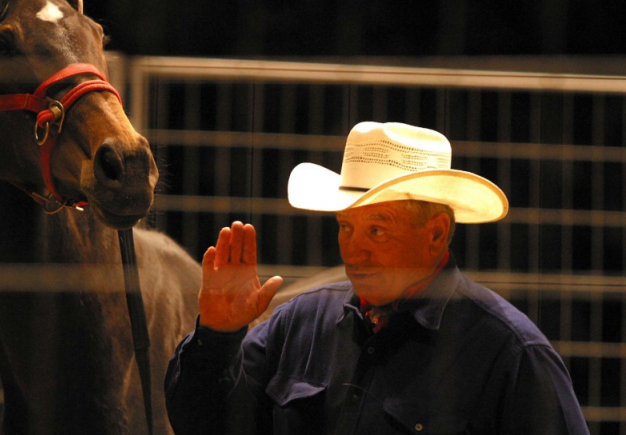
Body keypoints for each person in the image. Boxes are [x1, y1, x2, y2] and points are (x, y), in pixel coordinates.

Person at [164, 121, 589, 434]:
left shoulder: (511, 353)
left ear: (436, 233)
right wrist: (217, 337)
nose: (354, 249)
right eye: (345, 226)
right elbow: (201, 425)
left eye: (377, 229)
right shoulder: (299, 323)